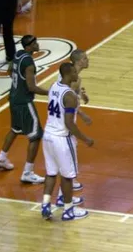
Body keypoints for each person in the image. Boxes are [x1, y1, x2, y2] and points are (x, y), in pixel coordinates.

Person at [40, 63, 95, 222]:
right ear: (68, 74)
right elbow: (69, 124)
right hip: (62, 138)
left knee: (51, 173)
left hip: (48, 135)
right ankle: (68, 210)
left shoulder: (53, 86)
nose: (77, 74)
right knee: (67, 176)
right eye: (74, 72)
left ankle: (45, 205)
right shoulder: (69, 95)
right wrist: (85, 139)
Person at [0, 35, 47, 184]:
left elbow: (10, 71)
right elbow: (31, 87)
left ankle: (1, 158)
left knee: (15, 129)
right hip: (24, 102)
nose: (37, 44)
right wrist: (51, 92)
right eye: (34, 43)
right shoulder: (29, 63)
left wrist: (18, 86)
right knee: (36, 136)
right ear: (28, 46)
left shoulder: (18, 54)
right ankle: (28, 173)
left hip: (14, 98)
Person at [56, 49, 91, 193]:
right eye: (85, 58)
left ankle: (70, 178)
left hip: (62, 114)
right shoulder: (73, 78)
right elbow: (69, 99)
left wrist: (81, 95)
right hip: (64, 116)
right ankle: (69, 180)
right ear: (78, 61)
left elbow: (73, 94)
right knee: (70, 146)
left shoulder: (70, 76)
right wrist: (82, 114)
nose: (87, 60)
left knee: (71, 146)